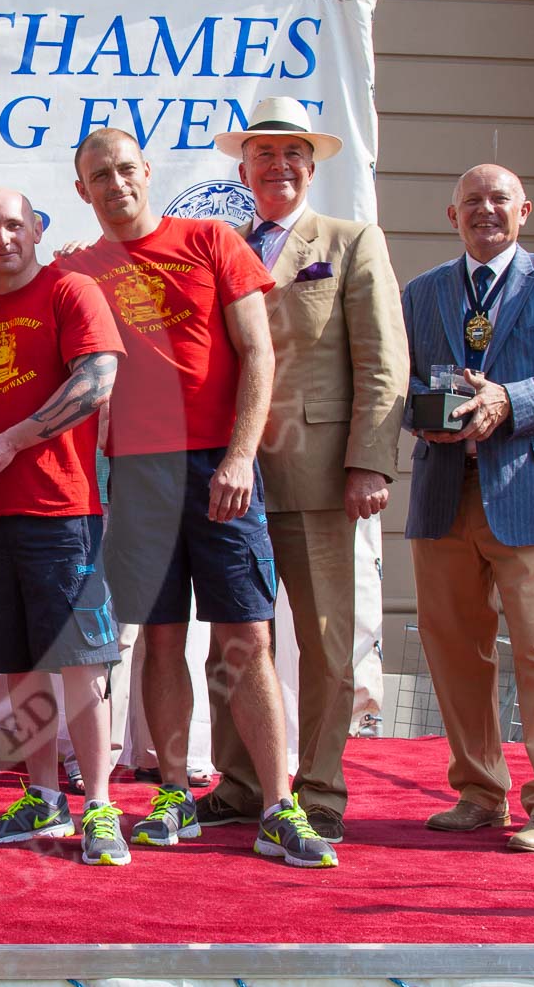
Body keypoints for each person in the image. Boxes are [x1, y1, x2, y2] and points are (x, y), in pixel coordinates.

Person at [58, 128, 333, 869]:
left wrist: (241, 455)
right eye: (98, 176)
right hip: (135, 476)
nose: (115, 184)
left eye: (125, 169)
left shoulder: (211, 240)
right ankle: (174, 791)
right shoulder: (77, 273)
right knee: (160, 638)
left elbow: (258, 353)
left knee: (248, 639)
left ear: (146, 172)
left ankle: (280, 804)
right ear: (82, 191)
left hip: (220, 467)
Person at [199, 98, 408, 844]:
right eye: (264, 154)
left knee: (322, 641)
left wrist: (368, 463)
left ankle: (319, 786)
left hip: (320, 476)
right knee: (236, 638)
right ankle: (242, 777)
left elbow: (383, 361)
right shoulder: (220, 246)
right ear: (244, 168)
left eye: (293, 154)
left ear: (312, 168)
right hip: (237, 475)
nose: (278, 166)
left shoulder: (352, 242)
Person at [400, 164, 534, 854]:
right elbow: (396, 381)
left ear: (525, 209)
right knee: (455, 650)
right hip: (443, 492)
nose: (485, 211)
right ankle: (478, 791)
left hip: (531, 490)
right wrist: (419, 416)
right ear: (450, 214)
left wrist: (508, 400)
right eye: (472, 202)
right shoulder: (422, 291)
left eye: (499, 200)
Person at [0, 188, 127, 866]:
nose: (2, 236)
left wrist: (11, 439)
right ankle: (43, 792)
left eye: (14, 224)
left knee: (77, 661)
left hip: (59, 507)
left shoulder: (71, 292)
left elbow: (96, 380)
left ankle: (98, 803)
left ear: (37, 229)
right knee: (14, 667)